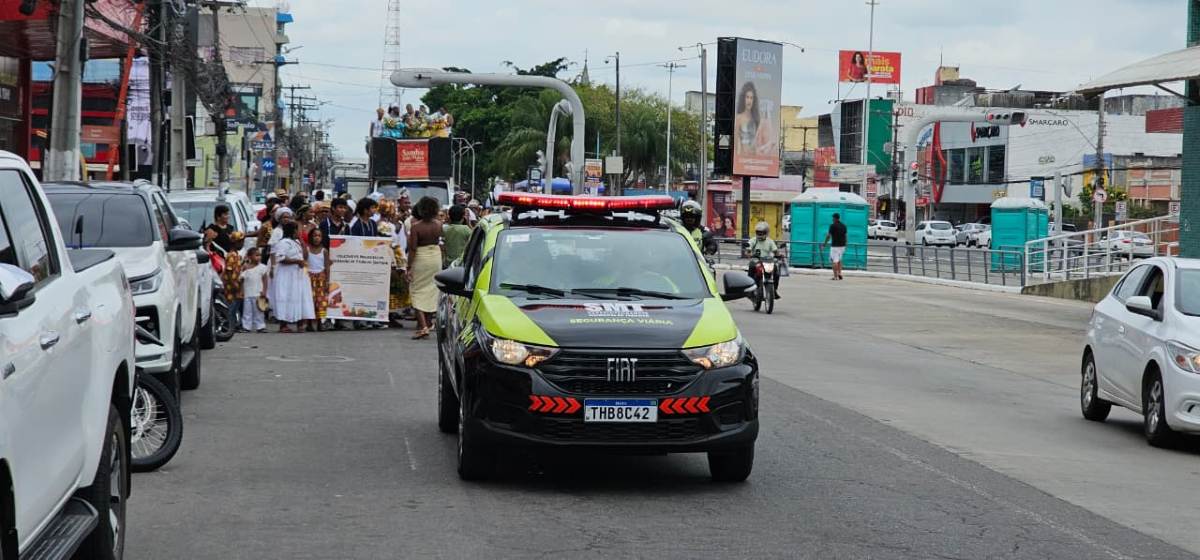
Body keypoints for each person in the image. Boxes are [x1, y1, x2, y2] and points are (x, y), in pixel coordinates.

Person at [407, 196, 443, 340]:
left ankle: (423, 327)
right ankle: (428, 323)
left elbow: (413, 249)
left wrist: (408, 266)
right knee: (431, 290)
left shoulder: (416, 227)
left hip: (421, 258)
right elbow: (441, 242)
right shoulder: (439, 225)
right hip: (435, 256)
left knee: (416, 291)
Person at [269, 221, 315, 333]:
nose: (298, 232)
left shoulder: (297, 242)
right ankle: (283, 324)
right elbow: (281, 258)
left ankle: (300, 323)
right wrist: (296, 261)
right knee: (287, 296)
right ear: (292, 230)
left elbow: (305, 256)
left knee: (299, 297)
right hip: (287, 275)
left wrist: (303, 242)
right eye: (297, 230)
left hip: (298, 275)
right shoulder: (284, 243)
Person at [204, 204, 243, 305]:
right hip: (218, 263)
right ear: (218, 216)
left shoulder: (230, 228)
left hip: (231, 261)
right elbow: (207, 247)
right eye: (225, 214)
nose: (228, 216)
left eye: (228, 214)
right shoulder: (212, 229)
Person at [305, 228, 330, 332]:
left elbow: (327, 266)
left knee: (321, 302)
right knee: (310, 301)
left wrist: (327, 281)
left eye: (319, 236)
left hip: (321, 278)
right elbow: (305, 263)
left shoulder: (324, 251)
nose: (317, 238)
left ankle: (320, 322)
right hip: (309, 278)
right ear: (311, 237)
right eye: (315, 235)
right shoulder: (307, 249)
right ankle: (309, 323)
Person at [748, 221, 781, 298]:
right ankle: (750, 288)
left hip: (767, 261)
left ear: (766, 233)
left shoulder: (770, 241)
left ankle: (774, 290)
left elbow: (775, 251)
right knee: (751, 267)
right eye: (758, 232)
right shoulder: (753, 240)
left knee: (776, 270)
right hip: (756, 260)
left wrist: (779, 255)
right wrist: (750, 254)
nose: (759, 234)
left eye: (761, 233)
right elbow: (748, 249)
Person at [239, 247, 269, 333]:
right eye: (256, 255)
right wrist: (242, 291)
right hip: (248, 293)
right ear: (249, 257)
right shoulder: (246, 268)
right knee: (247, 311)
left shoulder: (262, 267)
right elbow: (242, 280)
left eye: (259, 255)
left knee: (259, 311)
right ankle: (246, 326)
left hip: (258, 293)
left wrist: (264, 291)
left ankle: (260, 326)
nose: (259, 257)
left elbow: (265, 280)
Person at [822, 212, 848, 281]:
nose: (832, 219)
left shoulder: (832, 226)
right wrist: (845, 244)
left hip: (835, 246)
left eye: (833, 218)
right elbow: (845, 236)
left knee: (834, 261)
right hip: (842, 246)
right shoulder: (844, 226)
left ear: (835, 218)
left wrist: (824, 244)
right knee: (839, 259)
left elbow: (828, 236)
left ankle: (835, 276)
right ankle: (839, 273)